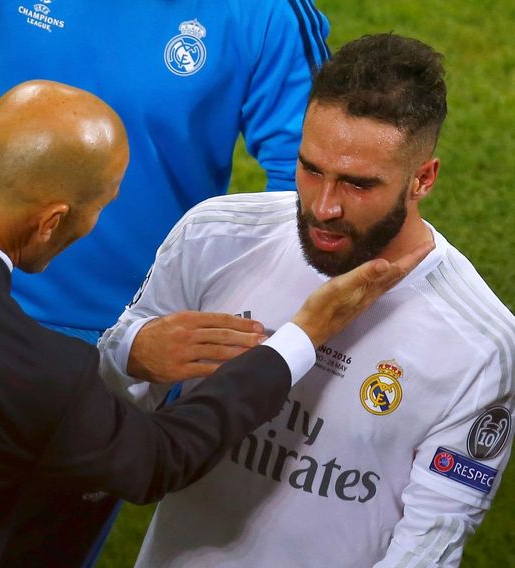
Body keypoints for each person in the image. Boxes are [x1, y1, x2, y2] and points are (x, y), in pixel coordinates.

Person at [0, 79, 430, 567]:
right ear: (51, 223)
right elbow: (159, 458)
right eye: (102, 205)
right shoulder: (41, 372)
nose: (95, 223)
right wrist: (300, 338)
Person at [99, 34, 515, 567]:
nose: (323, 207)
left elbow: (430, 542)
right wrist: (132, 353)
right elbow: (105, 418)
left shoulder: (478, 343)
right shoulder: (214, 239)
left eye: (357, 185)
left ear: (422, 180)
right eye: (311, 168)